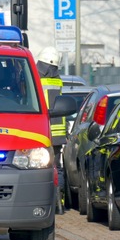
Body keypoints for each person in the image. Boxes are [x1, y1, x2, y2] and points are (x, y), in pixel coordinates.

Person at [35, 46, 67, 215]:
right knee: (57, 167)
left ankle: (47, 200)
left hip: (42, 130)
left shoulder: (37, 80)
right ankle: (58, 200)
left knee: (41, 167)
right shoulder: (58, 80)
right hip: (58, 132)